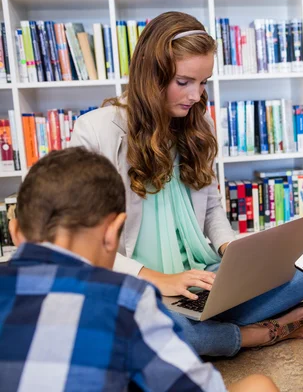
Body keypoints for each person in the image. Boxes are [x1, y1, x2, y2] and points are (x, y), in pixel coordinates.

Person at [70, 11, 303, 357]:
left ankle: (211, 325)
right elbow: (83, 243)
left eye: (204, 82)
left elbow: (210, 206)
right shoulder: (94, 131)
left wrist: (235, 252)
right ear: (151, 75)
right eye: (184, 82)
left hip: (200, 277)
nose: (196, 95)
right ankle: (255, 334)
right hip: (137, 285)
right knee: (158, 327)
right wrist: (160, 279)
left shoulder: (198, 124)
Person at [0, 147, 278, 392]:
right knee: (259, 386)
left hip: (194, 281)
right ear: (112, 232)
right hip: (161, 316)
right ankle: (244, 335)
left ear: (14, 231)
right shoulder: (126, 297)